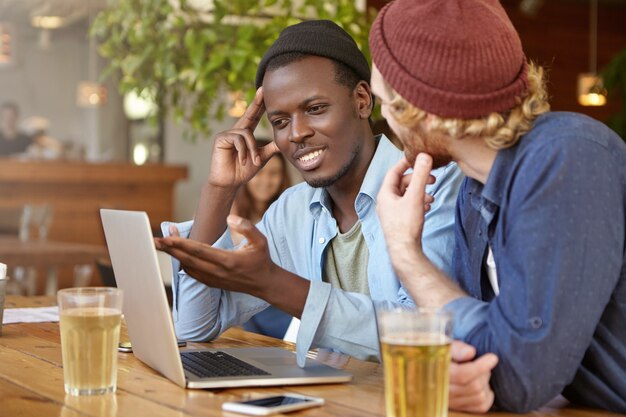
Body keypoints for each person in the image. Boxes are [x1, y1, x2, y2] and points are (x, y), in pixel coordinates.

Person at [156, 20, 498, 413]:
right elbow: (194, 329)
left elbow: (424, 331)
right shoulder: (293, 209)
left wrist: (272, 282)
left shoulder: (430, 185)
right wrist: (219, 191)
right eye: (280, 122)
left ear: (362, 101)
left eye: (315, 109)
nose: (296, 134)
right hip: (334, 405)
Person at [368, 0, 626, 413]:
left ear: (424, 112)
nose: (383, 117)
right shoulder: (473, 193)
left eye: (385, 102)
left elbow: (520, 379)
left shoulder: (568, 156)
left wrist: (404, 251)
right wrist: (470, 375)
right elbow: (485, 360)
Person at [231, 139, 293, 339]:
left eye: (274, 173)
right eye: (259, 172)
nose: (266, 180)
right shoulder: (229, 214)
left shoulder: (290, 213)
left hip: (280, 306)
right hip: (242, 305)